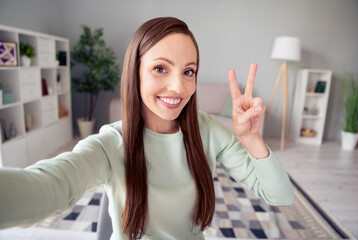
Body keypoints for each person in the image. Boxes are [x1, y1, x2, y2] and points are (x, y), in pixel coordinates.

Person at [0, 17, 294, 240]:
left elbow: (280, 195)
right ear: (135, 72)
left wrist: (252, 139)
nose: (178, 86)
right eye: (160, 68)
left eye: (188, 71)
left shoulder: (208, 131)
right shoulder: (110, 144)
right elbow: (52, 186)